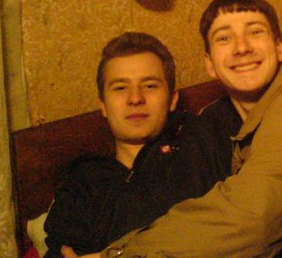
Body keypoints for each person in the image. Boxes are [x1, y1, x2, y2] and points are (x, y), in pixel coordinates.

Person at [74, 0, 282, 258]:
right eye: (224, 38)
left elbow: (248, 221)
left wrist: (117, 254)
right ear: (210, 64)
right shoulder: (237, 124)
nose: (242, 47)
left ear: (280, 49)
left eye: (255, 32)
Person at [45, 32, 222, 257]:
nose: (135, 98)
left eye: (149, 86)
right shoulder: (83, 182)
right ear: (103, 105)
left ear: (172, 100)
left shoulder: (201, 145)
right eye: (120, 88)